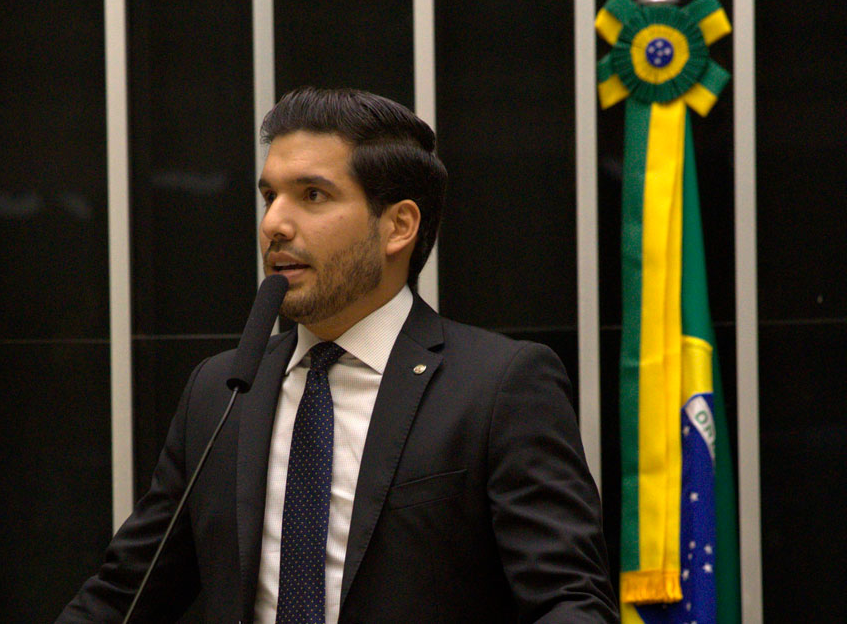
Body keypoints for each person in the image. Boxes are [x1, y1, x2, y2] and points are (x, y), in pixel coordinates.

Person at [58, 87, 618, 622]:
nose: (274, 223)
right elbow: (123, 596)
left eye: (313, 195)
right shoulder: (221, 390)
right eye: (269, 196)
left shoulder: (496, 386)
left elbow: (567, 601)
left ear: (398, 225)